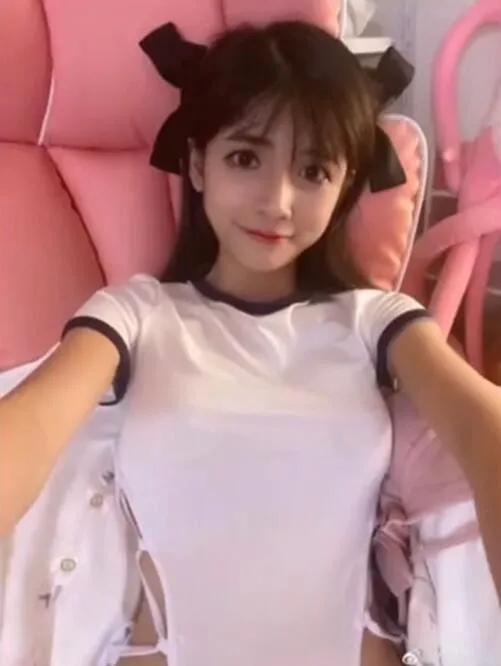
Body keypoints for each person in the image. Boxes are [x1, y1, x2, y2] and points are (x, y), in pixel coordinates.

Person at [1, 19, 500, 666]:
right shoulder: (136, 316)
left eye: (313, 170)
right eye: (245, 158)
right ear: (197, 164)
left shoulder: (377, 321)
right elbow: (32, 425)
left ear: (344, 186)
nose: (277, 201)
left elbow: (482, 426)